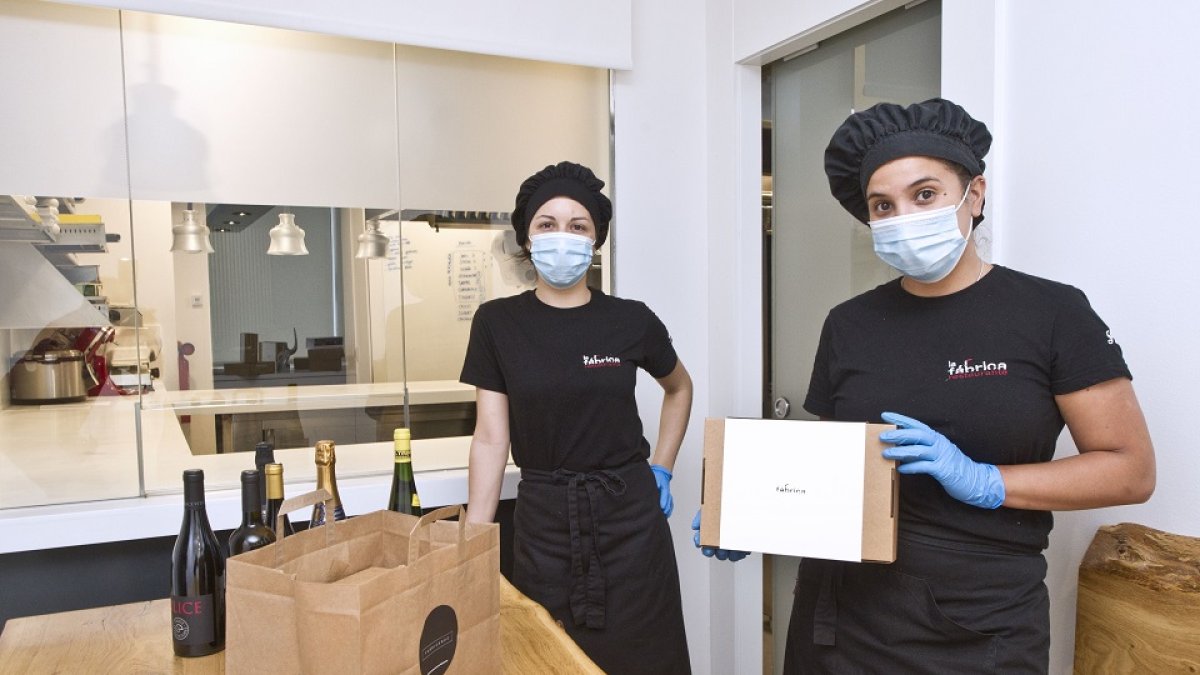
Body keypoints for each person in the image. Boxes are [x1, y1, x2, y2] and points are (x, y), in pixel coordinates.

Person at [752, 98, 1154, 673]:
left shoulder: (1052, 312)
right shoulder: (849, 324)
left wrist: (986, 481)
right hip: (842, 616)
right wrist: (758, 515)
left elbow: (1131, 469)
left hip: (978, 620)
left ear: (976, 195)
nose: (902, 217)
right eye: (882, 205)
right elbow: (833, 472)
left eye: (924, 195)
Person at [461, 161, 694, 674]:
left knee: (647, 658)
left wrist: (663, 465)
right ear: (526, 237)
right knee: (546, 657)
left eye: (578, 225)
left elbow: (679, 387)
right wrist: (476, 540)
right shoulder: (498, 323)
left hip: (630, 518)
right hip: (543, 522)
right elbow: (489, 437)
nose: (561, 237)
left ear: (596, 240)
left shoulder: (631, 320)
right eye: (547, 224)